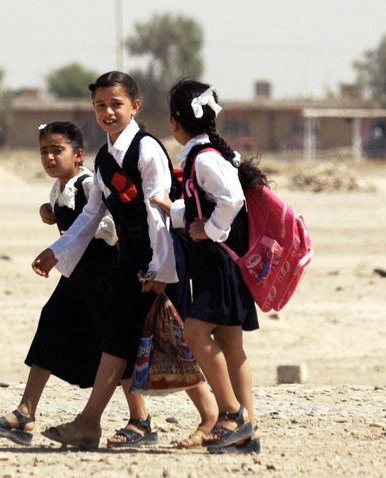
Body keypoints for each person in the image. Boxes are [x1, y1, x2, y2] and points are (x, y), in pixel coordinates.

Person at [32, 71, 217, 450]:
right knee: (119, 338)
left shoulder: (147, 151)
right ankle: (91, 423)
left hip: (160, 257)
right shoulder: (104, 159)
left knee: (170, 340)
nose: (108, 112)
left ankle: (215, 415)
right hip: (130, 260)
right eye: (100, 105)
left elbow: (159, 215)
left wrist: (162, 271)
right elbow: (90, 216)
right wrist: (57, 252)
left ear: (134, 106)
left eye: (116, 104)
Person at [0, 121, 118, 446]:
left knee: (116, 347)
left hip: (101, 279)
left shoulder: (86, 184)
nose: (50, 158)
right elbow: (68, 216)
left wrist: (79, 231)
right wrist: (52, 213)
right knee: (51, 326)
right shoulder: (58, 190)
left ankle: (141, 419)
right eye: (44, 151)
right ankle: (25, 413)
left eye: (57, 150)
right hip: (76, 280)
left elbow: (109, 224)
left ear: (79, 155)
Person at [151, 79, 266, 454]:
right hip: (223, 264)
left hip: (218, 263)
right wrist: (177, 211)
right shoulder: (209, 155)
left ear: (175, 123)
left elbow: (229, 201)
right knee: (232, 343)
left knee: (196, 334)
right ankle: (247, 428)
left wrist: (210, 231)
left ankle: (230, 414)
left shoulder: (203, 159)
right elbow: (209, 203)